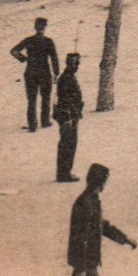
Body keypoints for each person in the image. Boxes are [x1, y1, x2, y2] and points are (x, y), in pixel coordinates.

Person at [12, 17, 59, 132]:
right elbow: (54, 58)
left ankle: (32, 125)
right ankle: (45, 121)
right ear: (44, 28)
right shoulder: (48, 41)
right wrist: (56, 73)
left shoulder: (28, 40)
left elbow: (14, 51)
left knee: (31, 100)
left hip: (30, 72)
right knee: (45, 98)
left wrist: (24, 59)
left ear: (35, 27)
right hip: (44, 72)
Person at [53, 53, 85, 183]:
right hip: (68, 116)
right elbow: (65, 100)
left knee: (69, 144)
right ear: (67, 63)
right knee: (67, 144)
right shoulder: (66, 78)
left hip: (72, 115)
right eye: (73, 63)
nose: (76, 66)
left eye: (77, 63)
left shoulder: (69, 76)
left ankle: (65, 172)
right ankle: (63, 173)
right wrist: (69, 117)